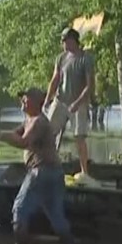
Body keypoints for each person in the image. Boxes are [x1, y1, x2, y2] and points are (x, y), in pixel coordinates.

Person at [0, 88, 74, 244]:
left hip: (41, 172)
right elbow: (15, 135)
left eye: (26, 98)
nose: (23, 101)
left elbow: (23, 142)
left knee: (19, 209)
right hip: (54, 173)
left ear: (35, 101)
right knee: (56, 215)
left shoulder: (38, 121)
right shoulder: (29, 120)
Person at [44, 26, 96, 178]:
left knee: (79, 138)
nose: (63, 44)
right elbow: (55, 79)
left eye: (65, 40)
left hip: (78, 102)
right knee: (48, 133)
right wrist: (48, 99)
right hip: (60, 100)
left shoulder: (85, 58)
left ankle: (84, 172)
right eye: (62, 41)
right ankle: (46, 166)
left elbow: (89, 85)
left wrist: (78, 102)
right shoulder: (61, 58)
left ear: (73, 40)